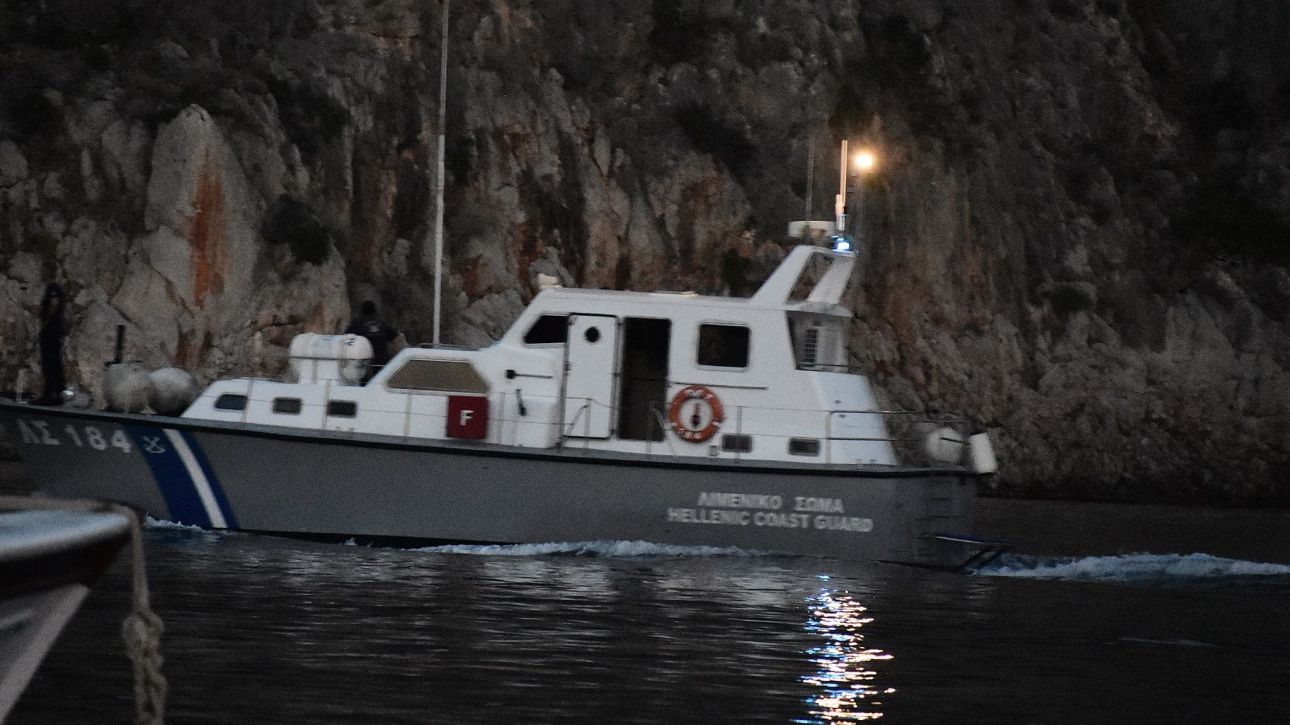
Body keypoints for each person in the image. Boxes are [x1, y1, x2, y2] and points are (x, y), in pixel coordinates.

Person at [344, 300, 399, 380]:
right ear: (374, 310)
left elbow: (346, 338)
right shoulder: (382, 323)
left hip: (364, 363)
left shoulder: (357, 323)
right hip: (382, 362)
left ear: (362, 310)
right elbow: (395, 337)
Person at [37, 282, 66, 405]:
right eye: (52, 297)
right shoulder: (48, 315)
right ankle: (50, 393)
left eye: (56, 298)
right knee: (48, 366)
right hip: (47, 340)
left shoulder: (57, 319)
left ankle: (55, 393)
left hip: (53, 340)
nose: (54, 301)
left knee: (54, 365)